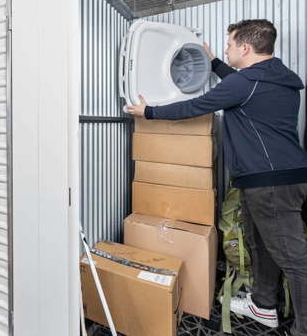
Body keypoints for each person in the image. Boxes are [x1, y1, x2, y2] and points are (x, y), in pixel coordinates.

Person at [126, 19, 307, 335]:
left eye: (230, 44)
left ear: (245, 48)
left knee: (294, 259)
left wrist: (149, 112)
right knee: (260, 242)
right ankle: (264, 305)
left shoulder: (244, 84)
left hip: (271, 184)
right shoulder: (280, 80)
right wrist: (213, 62)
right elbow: (240, 84)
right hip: (276, 178)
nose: (227, 49)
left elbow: (196, 106)